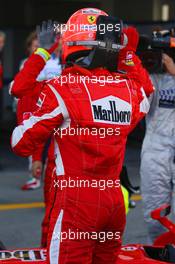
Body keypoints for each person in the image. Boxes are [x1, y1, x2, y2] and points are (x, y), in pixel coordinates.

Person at [11, 8, 154, 263]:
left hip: (75, 203)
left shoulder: (61, 89)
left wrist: (42, 52)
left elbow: (20, 143)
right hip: (113, 202)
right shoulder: (130, 91)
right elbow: (147, 91)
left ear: (73, 44)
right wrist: (128, 54)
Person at [11, 30, 61, 191]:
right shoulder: (27, 62)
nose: (39, 47)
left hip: (54, 104)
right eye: (36, 45)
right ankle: (35, 174)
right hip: (32, 102)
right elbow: (20, 87)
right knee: (31, 138)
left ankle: (52, 178)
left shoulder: (59, 61)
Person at [141, 50, 175, 243]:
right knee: (155, 215)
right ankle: (159, 253)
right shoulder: (150, 78)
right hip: (156, 149)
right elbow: (138, 106)